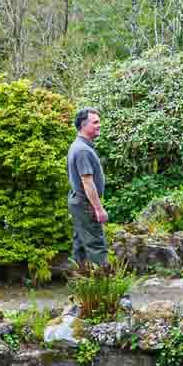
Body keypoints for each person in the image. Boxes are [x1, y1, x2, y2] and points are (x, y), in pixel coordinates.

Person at [67, 107, 108, 267]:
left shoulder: (78, 146)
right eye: (95, 122)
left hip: (78, 202)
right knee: (96, 245)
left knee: (80, 245)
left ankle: (80, 285)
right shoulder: (83, 150)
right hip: (85, 204)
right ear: (83, 126)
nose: (99, 125)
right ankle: (105, 288)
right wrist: (98, 209)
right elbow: (87, 182)